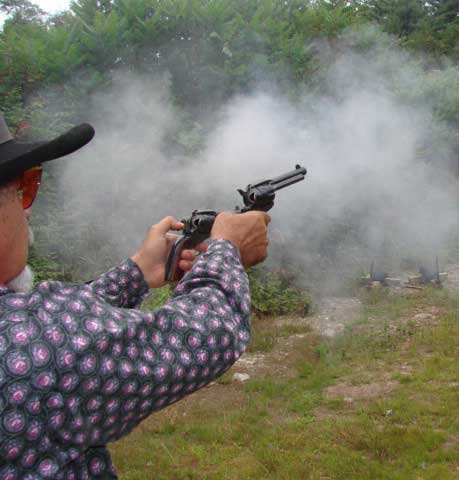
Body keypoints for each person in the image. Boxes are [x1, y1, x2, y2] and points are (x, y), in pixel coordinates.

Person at [0, 114, 270, 479]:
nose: (28, 211)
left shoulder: (34, 336)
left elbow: (64, 336)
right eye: (25, 188)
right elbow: (209, 332)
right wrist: (228, 249)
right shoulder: (36, 342)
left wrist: (139, 271)